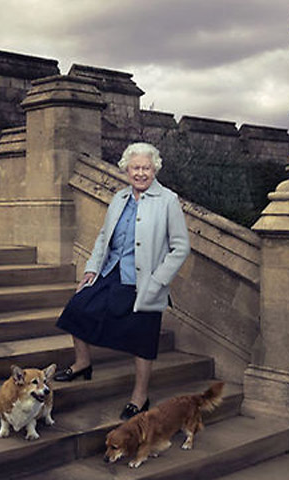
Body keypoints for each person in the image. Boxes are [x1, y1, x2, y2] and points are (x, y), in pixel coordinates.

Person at [54, 142, 191, 420]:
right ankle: (83, 363)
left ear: (155, 169)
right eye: (135, 168)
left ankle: (140, 396)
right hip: (112, 271)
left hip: (145, 281)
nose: (140, 173)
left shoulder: (167, 200)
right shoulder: (119, 198)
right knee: (76, 309)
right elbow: (104, 236)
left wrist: (159, 281)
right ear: (126, 170)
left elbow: (181, 247)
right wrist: (92, 269)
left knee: (143, 336)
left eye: (146, 168)